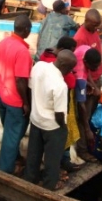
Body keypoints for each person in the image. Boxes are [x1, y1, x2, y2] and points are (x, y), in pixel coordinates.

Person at [25, 50, 77, 190]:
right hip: (52, 126)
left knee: (33, 154)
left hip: (36, 119)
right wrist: (63, 127)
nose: (71, 72)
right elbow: (59, 114)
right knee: (52, 160)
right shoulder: (60, 85)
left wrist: (33, 108)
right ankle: (49, 186)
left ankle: (30, 179)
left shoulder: (39, 66)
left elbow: (30, 88)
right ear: (65, 66)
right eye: (71, 68)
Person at [0, 15, 33, 174]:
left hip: (0, 94)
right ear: (25, 30)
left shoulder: (3, 42)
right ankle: (5, 171)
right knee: (11, 137)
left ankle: (14, 157)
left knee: (10, 132)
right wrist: (25, 103)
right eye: (29, 29)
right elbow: (20, 80)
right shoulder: (23, 51)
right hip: (14, 101)